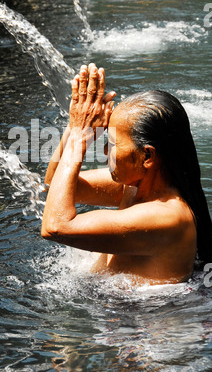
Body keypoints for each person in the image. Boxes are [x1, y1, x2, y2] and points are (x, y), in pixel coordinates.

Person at [41, 63, 212, 285]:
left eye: (111, 143)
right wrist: (77, 123)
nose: (104, 150)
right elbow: (54, 186)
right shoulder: (134, 185)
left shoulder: (168, 216)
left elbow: (55, 227)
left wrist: (79, 138)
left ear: (147, 157)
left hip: (145, 318)